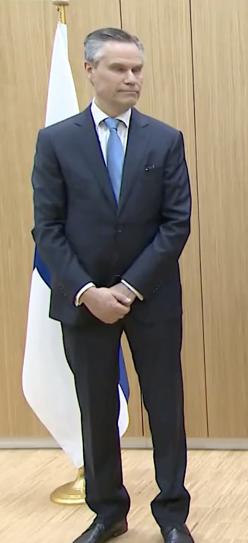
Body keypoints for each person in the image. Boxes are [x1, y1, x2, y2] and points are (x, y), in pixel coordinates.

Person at [31, 27, 194, 543]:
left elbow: (176, 224)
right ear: (90, 71)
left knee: (166, 408)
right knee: (96, 409)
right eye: (120, 69)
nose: (131, 78)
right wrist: (87, 291)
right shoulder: (55, 141)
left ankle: (172, 515)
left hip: (151, 300)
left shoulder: (164, 139)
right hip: (83, 302)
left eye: (137, 69)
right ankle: (107, 512)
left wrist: (126, 290)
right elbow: (47, 227)